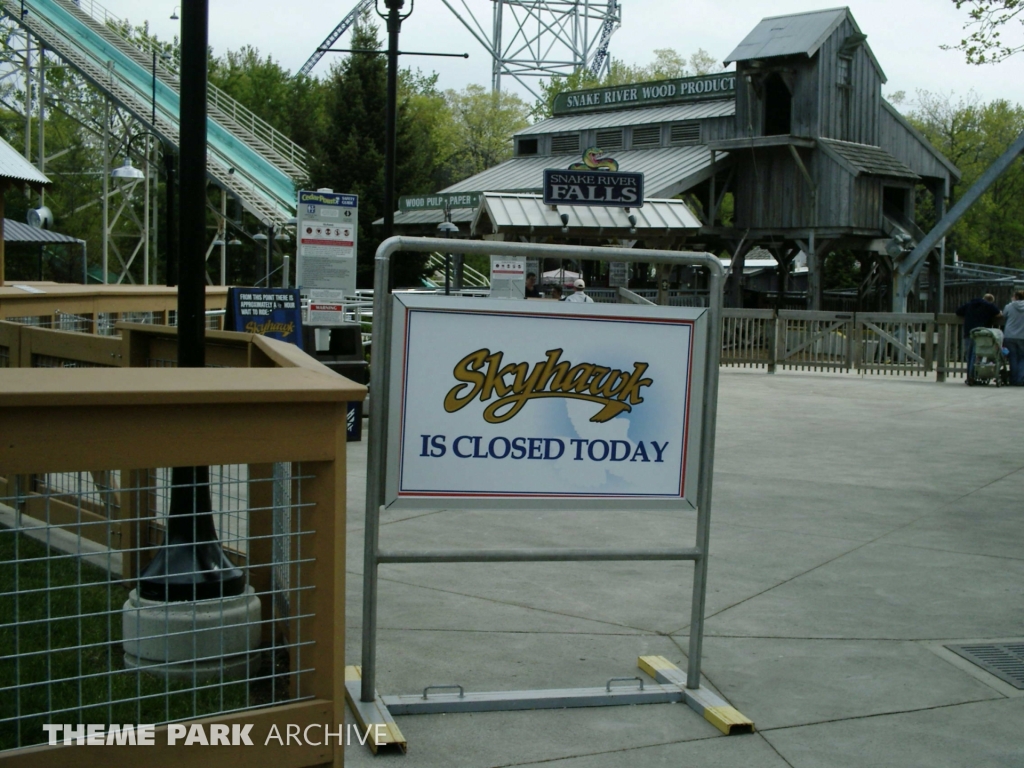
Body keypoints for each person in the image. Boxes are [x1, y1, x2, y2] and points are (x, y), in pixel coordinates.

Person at [956, 293, 1002, 383]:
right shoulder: (989, 306)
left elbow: (958, 312)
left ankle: (969, 377)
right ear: (991, 301)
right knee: (976, 354)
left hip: (968, 332)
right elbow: (999, 314)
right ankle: (973, 376)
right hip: (981, 334)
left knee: (968, 355)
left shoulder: (969, 304)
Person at [1002, 289, 1024, 386]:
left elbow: (1004, 315)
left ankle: (1013, 379)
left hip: (1010, 335)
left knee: (1013, 358)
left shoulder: (1009, 306)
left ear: (1016, 297)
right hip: (1023, 336)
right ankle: (1020, 379)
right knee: (1022, 358)